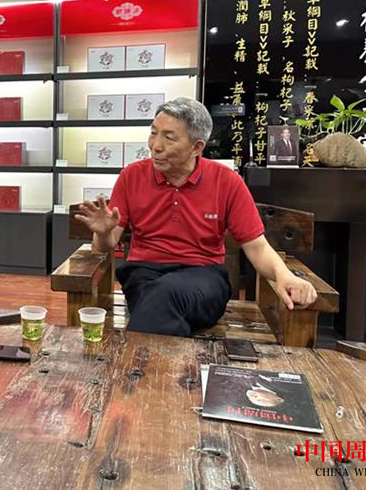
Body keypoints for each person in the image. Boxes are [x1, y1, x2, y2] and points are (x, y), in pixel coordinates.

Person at [75, 98, 317, 337]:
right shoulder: (132, 176)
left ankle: (136, 359)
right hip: (143, 274)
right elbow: (103, 246)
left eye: (169, 137)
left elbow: (257, 247)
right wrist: (103, 233)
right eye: (153, 133)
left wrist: (285, 275)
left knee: (161, 296)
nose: (155, 146)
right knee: (160, 306)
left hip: (204, 277)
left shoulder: (226, 181)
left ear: (197, 147)